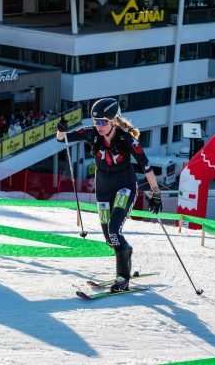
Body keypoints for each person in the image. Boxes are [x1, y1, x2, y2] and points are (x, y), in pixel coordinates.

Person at [56, 98, 162, 293]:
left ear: (113, 120)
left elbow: (146, 167)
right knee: (108, 237)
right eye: (96, 121)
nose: (99, 126)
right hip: (103, 189)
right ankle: (126, 251)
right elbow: (63, 138)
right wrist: (61, 128)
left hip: (125, 187)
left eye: (103, 122)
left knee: (114, 229)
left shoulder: (127, 139)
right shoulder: (91, 133)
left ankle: (122, 277)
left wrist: (156, 194)